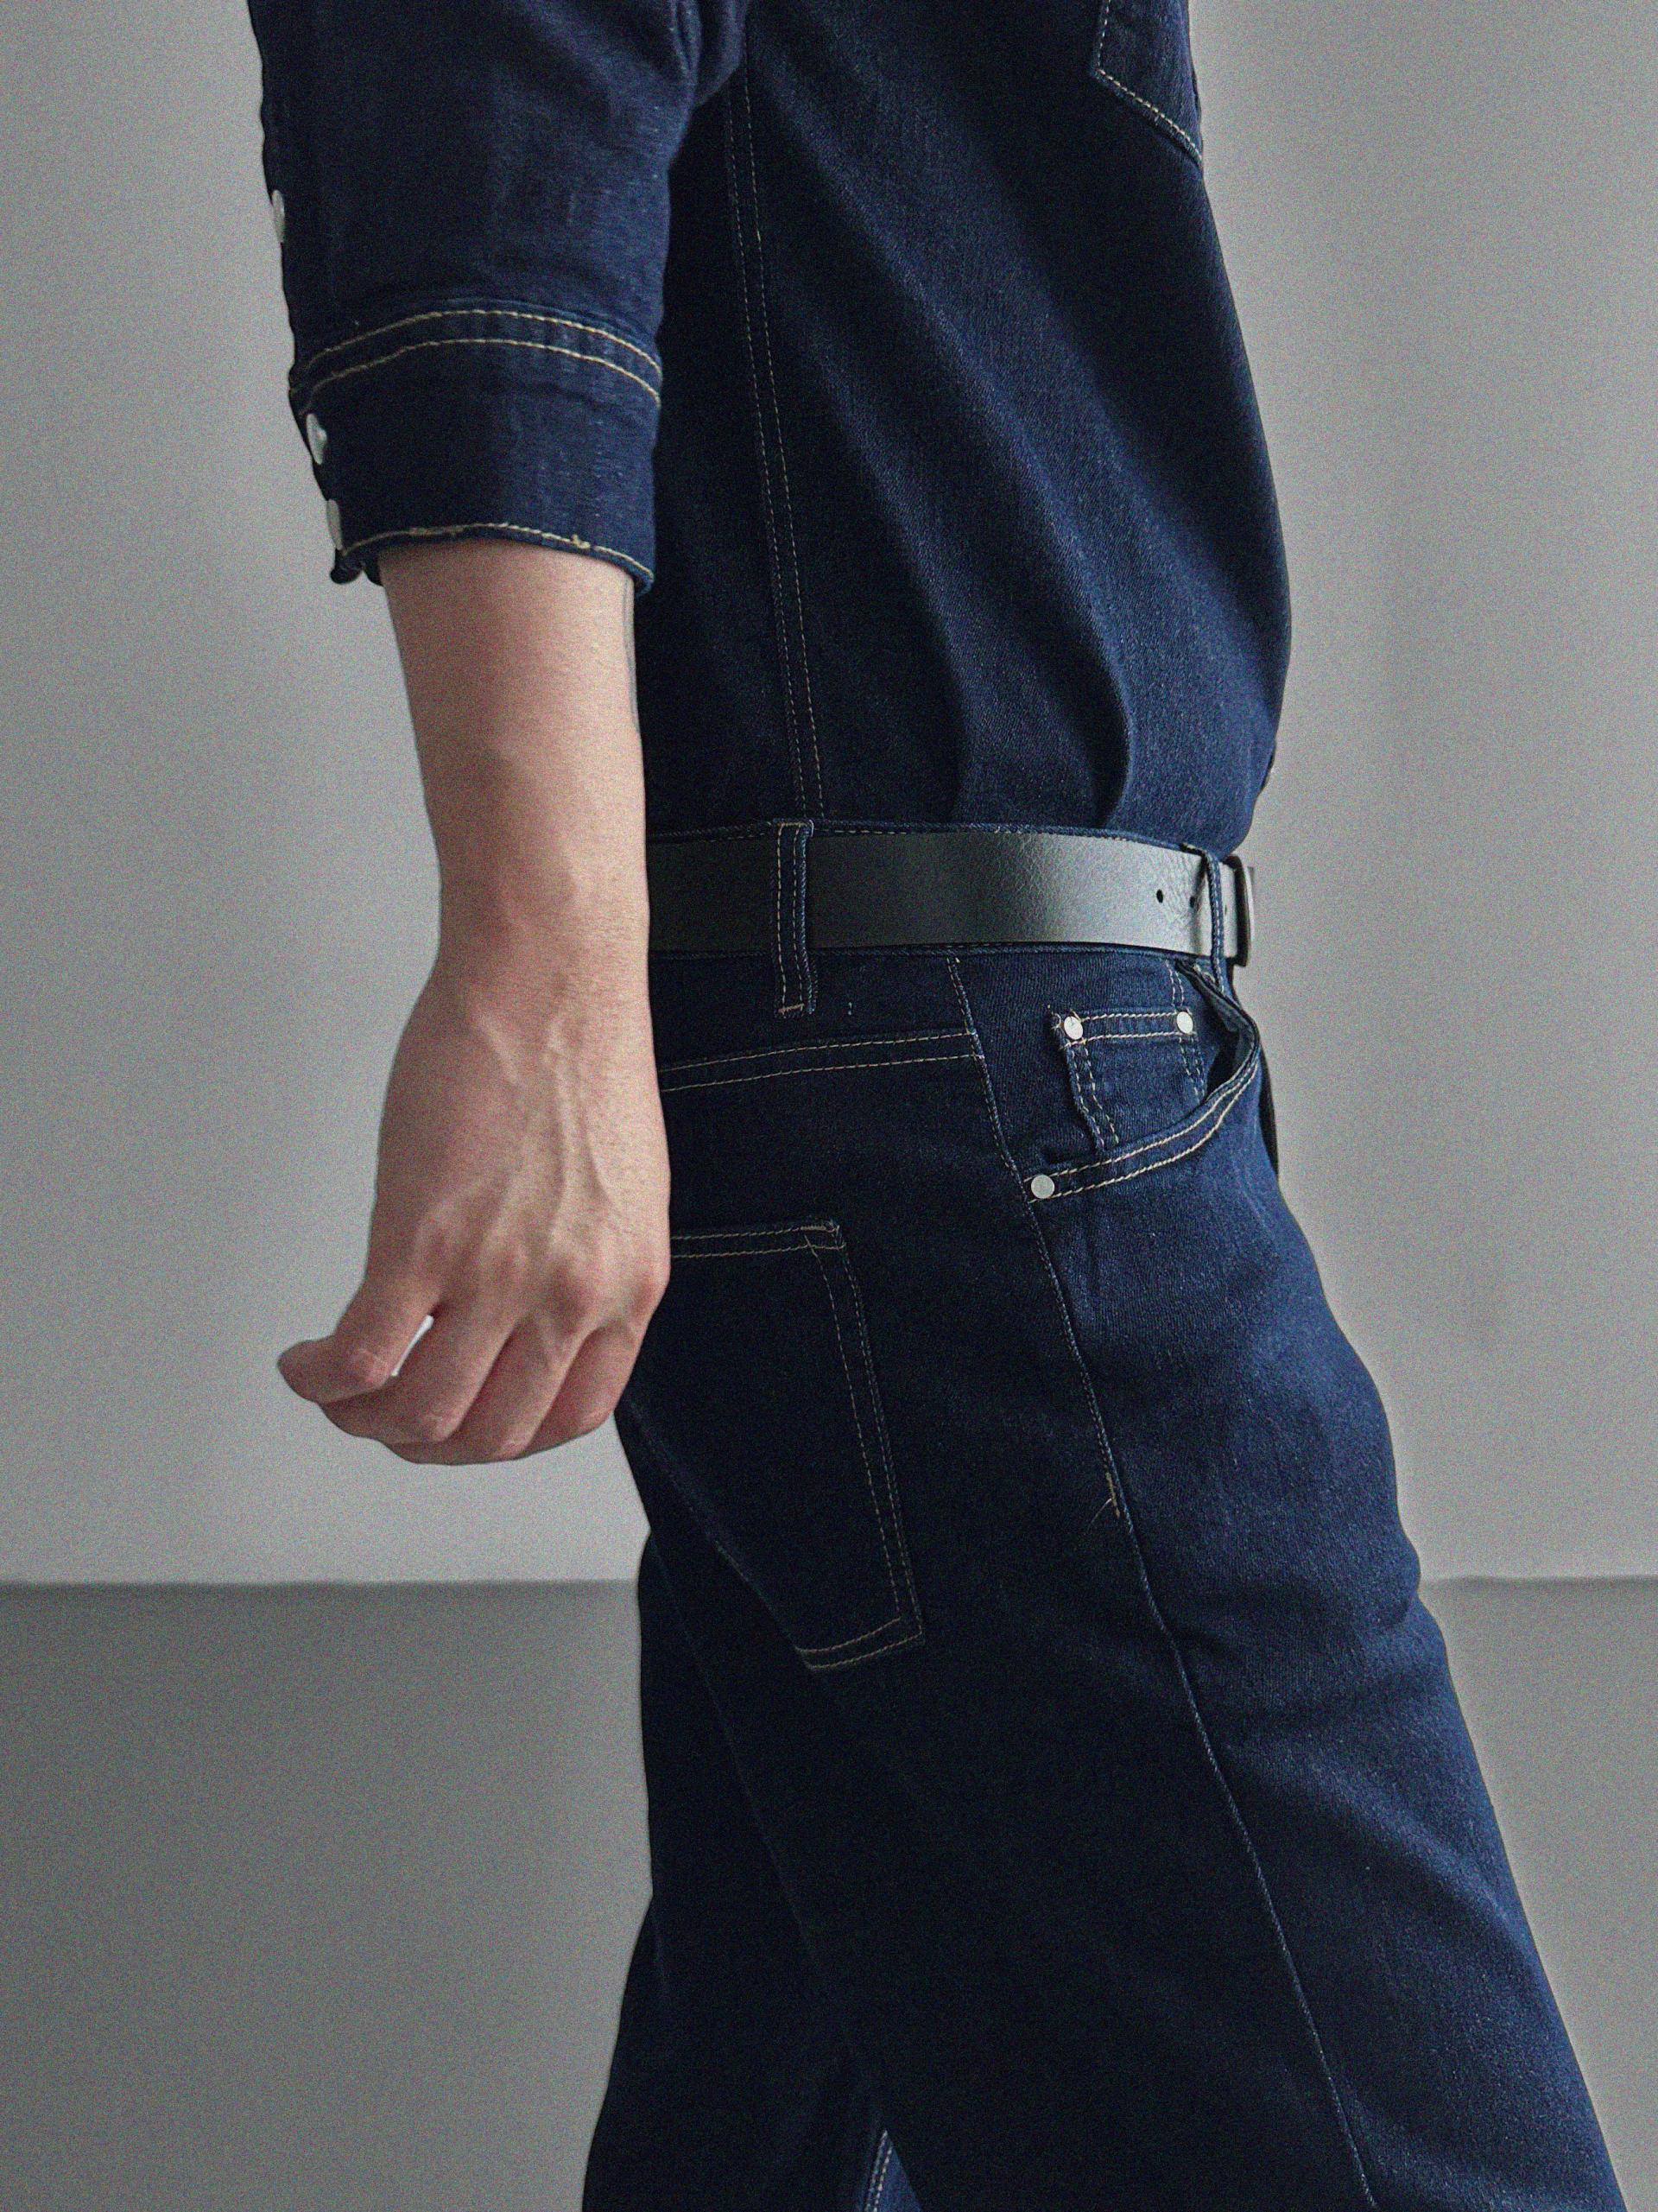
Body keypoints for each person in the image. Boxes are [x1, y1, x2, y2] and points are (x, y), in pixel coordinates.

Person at [241, 2, 1627, 2205]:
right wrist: (543, 958)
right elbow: (501, 94)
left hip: (994, 1057)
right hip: (966, 1073)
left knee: (786, 2136)